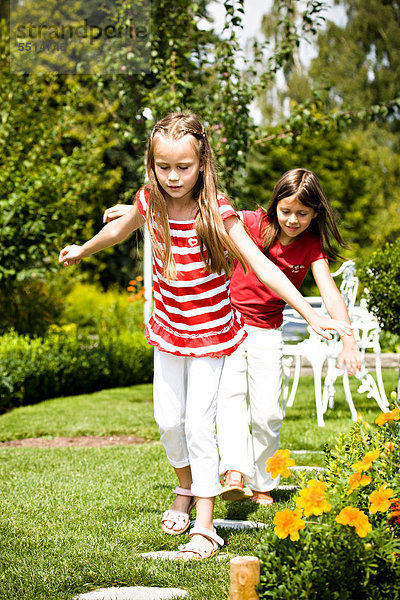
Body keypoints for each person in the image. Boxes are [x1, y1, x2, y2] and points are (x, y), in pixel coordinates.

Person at [60, 114, 352, 560]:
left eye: (184, 167)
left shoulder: (218, 210)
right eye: (163, 167)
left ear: (202, 164)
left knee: (200, 424)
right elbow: (120, 228)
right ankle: (186, 486)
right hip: (170, 329)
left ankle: (205, 524)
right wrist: (83, 248)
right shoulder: (149, 201)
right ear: (152, 164)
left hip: (214, 333)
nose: (173, 177)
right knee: (167, 422)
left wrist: (309, 314)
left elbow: (264, 266)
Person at [217, 168, 362, 506]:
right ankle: (235, 472)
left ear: (315, 213)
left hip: (268, 330)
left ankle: (263, 483)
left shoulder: (311, 245)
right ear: (274, 205)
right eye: (286, 211)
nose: (293, 220)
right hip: (231, 325)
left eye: (302, 213)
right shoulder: (252, 223)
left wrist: (349, 342)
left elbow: (329, 291)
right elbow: (202, 214)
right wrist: (140, 213)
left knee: (268, 412)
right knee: (231, 399)